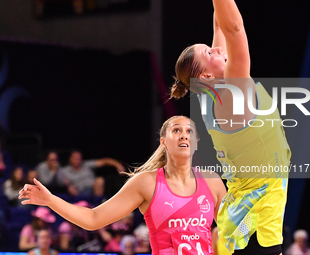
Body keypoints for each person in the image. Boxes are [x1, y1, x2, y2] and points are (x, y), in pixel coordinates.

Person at [171, 1, 291, 254]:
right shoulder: (232, 94)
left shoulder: (211, 93)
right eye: (208, 53)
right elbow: (234, 29)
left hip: (243, 216)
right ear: (204, 76)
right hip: (253, 218)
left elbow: (221, 25)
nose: (216, 48)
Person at [19, 116, 227, 254]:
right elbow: (93, 219)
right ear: (163, 141)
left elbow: (234, 232)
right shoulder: (146, 182)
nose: (184, 134)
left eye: (189, 131)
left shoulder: (213, 182)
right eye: (176, 130)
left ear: (197, 141)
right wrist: (50, 200)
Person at [60, 150, 126, 197]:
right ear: (70, 159)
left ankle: (98, 203)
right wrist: (68, 186)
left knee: (99, 180)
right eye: (75, 158)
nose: (78, 160)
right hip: (78, 193)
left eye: (79, 158)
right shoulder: (65, 171)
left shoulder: (86, 165)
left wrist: (118, 165)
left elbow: (105, 161)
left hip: (92, 191)